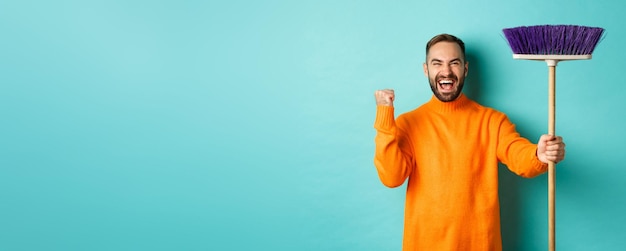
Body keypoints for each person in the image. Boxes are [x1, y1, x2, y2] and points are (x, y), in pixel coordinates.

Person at [373, 34, 566, 251]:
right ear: (426, 70)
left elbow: (518, 154)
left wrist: (539, 155)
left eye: (454, 63)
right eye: (437, 63)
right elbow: (391, 177)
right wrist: (384, 118)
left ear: (465, 69)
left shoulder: (492, 121)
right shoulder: (409, 123)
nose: (446, 71)